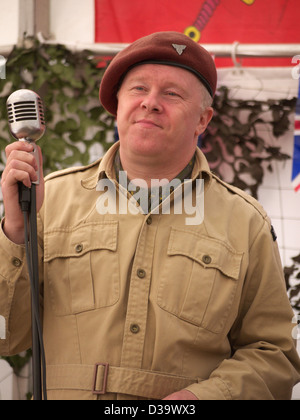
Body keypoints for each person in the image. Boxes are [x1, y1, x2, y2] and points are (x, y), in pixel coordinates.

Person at [0, 31, 300, 400]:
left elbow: (274, 357)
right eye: (138, 89)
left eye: (172, 94)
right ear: (117, 106)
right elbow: (6, 337)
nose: (150, 103)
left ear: (203, 120)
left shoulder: (246, 222)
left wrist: (200, 400)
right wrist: (15, 232)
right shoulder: (50, 201)